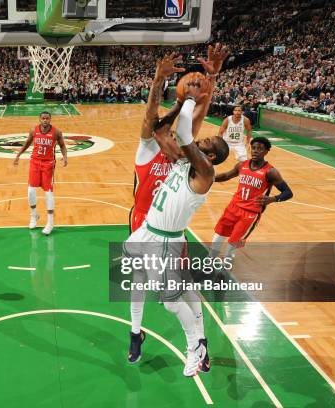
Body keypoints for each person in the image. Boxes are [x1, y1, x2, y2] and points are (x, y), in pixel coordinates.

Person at [125, 80, 230, 377]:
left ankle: (195, 346)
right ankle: (148, 330)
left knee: (170, 303)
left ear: (209, 158)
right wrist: (181, 100)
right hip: (147, 231)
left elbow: (184, 133)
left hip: (166, 241)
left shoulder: (206, 173)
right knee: (142, 279)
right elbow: (160, 131)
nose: (201, 141)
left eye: (206, 143)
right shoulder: (183, 161)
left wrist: (189, 100)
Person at [131, 44, 228, 233]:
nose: (177, 138)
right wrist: (159, 80)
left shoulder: (186, 159)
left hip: (173, 226)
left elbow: (198, 116)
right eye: (172, 135)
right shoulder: (149, 147)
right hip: (144, 220)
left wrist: (211, 79)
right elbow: (151, 113)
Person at [209, 136, 293, 260]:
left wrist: (273, 199)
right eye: (253, 148)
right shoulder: (242, 165)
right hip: (233, 207)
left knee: (233, 243)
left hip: (250, 213)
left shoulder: (270, 171)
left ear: (266, 151)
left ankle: (224, 270)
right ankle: (208, 263)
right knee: (218, 235)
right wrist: (210, 179)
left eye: (259, 148)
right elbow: (227, 175)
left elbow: (288, 192)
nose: (255, 151)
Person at [13, 111, 68, 235]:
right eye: (43, 118)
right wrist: (18, 155)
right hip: (35, 162)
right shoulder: (34, 130)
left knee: (48, 193)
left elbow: (63, 145)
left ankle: (50, 222)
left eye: (47, 118)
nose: (45, 120)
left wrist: (65, 156)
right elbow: (27, 143)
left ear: (50, 119)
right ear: (39, 119)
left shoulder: (56, 132)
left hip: (48, 164)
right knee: (30, 191)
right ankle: (34, 216)